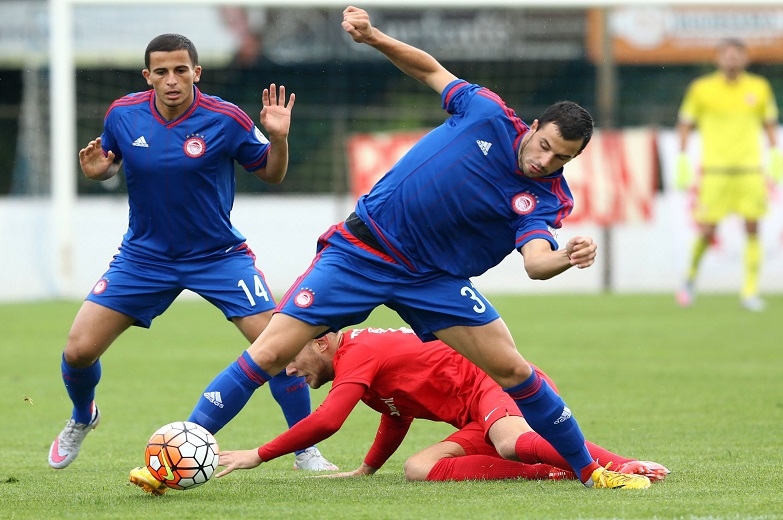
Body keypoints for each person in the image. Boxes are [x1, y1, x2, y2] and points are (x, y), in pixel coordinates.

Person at [181, 5, 651, 491]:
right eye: (545, 145)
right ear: (533, 126)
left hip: (432, 279)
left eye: (561, 158)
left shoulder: (547, 197)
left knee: (513, 368)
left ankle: (591, 472)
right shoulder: (487, 113)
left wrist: (564, 258)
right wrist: (373, 37)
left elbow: (535, 262)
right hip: (361, 252)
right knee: (269, 352)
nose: (545, 161)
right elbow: (430, 70)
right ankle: (182, 450)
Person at [48, 33, 336, 474]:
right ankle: (83, 416)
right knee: (78, 350)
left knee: (282, 351)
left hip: (219, 257)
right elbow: (108, 161)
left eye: (180, 70)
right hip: (143, 259)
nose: (172, 80)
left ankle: (305, 451)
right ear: (147, 76)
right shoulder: (123, 114)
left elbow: (272, 174)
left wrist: (279, 140)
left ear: (196, 73)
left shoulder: (226, 118)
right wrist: (98, 172)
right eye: (161, 72)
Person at [212, 327, 669, 485]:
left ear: (322, 342)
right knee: (419, 469)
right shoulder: (358, 364)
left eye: (292, 359)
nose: (290, 371)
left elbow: (329, 420)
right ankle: (553, 469)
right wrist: (367, 470)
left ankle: (619, 466)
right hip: (476, 414)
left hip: (495, 385)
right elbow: (397, 414)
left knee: (509, 443)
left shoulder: (357, 353)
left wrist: (259, 454)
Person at [675, 38, 783, 312]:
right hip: (715, 172)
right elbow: (685, 123)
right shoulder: (701, 88)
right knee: (707, 230)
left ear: (745, 58)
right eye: (727, 54)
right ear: (718, 58)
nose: (732, 58)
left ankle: (750, 291)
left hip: (749, 171)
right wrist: (682, 158)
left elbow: (769, 123)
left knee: (753, 227)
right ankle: (689, 278)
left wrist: (775, 153)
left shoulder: (759, 87)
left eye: (737, 54)